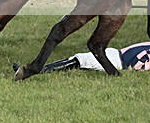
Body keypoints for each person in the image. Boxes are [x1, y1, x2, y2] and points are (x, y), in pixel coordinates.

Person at [13, 41, 150, 74]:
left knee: (79, 60)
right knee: (77, 60)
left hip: (117, 61)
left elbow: (139, 65)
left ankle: (33, 71)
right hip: (115, 53)